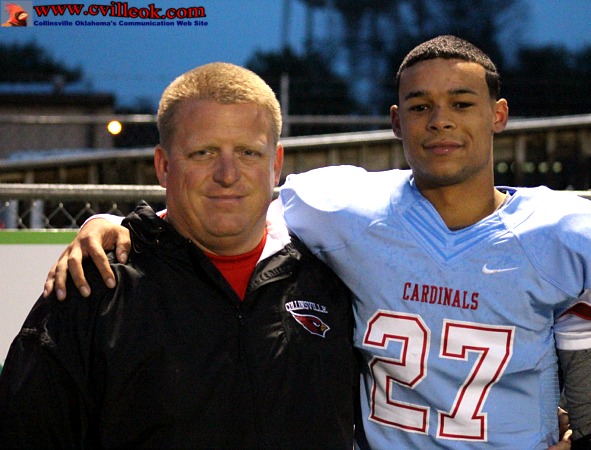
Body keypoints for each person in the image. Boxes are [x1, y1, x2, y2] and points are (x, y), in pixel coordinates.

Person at [41, 35, 591, 449]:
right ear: (395, 120)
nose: (440, 120)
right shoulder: (343, 210)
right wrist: (124, 226)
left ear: (499, 115)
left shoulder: (568, 236)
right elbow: (230, 208)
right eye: (420, 106)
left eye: (461, 103)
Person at [0, 62, 356, 448]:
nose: (227, 174)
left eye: (248, 152)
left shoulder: (334, 279)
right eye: (203, 153)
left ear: (276, 165)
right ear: (163, 166)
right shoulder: (95, 290)